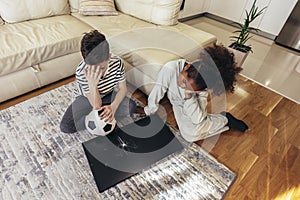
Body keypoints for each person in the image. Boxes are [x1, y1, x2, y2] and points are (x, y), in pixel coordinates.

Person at [137, 44, 248, 142]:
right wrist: (149, 110)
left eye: (190, 88)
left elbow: (198, 118)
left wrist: (189, 97)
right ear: (187, 67)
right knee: (189, 136)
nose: (182, 86)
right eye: (184, 81)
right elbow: (158, 91)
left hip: (190, 106)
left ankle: (225, 119)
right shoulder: (170, 68)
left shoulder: (202, 89)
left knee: (192, 135)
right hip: (178, 104)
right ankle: (223, 120)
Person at [60, 30, 136, 133]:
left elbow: (122, 89)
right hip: (86, 98)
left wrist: (113, 107)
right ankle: (91, 118)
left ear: (109, 57)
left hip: (108, 95)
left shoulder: (117, 63)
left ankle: (104, 114)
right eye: (92, 68)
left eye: (101, 68)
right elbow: (96, 105)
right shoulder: (82, 71)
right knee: (66, 126)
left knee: (131, 107)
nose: (97, 73)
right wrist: (92, 85)